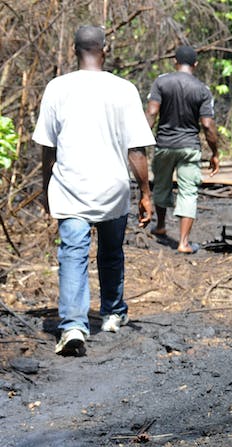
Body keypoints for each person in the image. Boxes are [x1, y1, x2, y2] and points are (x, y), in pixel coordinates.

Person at [33, 25, 155, 356]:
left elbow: (47, 148)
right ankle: (113, 313)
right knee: (111, 252)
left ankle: (73, 326)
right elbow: (136, 151)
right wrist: (145, 192)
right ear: (105, 49)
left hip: (71, 187)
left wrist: (46, 189)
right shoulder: (124, 89)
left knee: (73, 255)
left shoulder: (57, 88)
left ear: (75, 51)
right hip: (113, 189)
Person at [145, 45, 219, 254]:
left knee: (161, 185)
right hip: (189, 147)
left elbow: (151, 112)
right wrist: (215, 153)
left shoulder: (161, 82)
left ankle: (160, 225)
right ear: (195, 64)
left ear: (174, 61)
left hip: (164, 144)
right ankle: (183, 242)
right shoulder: (202, 89)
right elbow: (207, 124)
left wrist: (139, 140)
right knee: (188, 192)